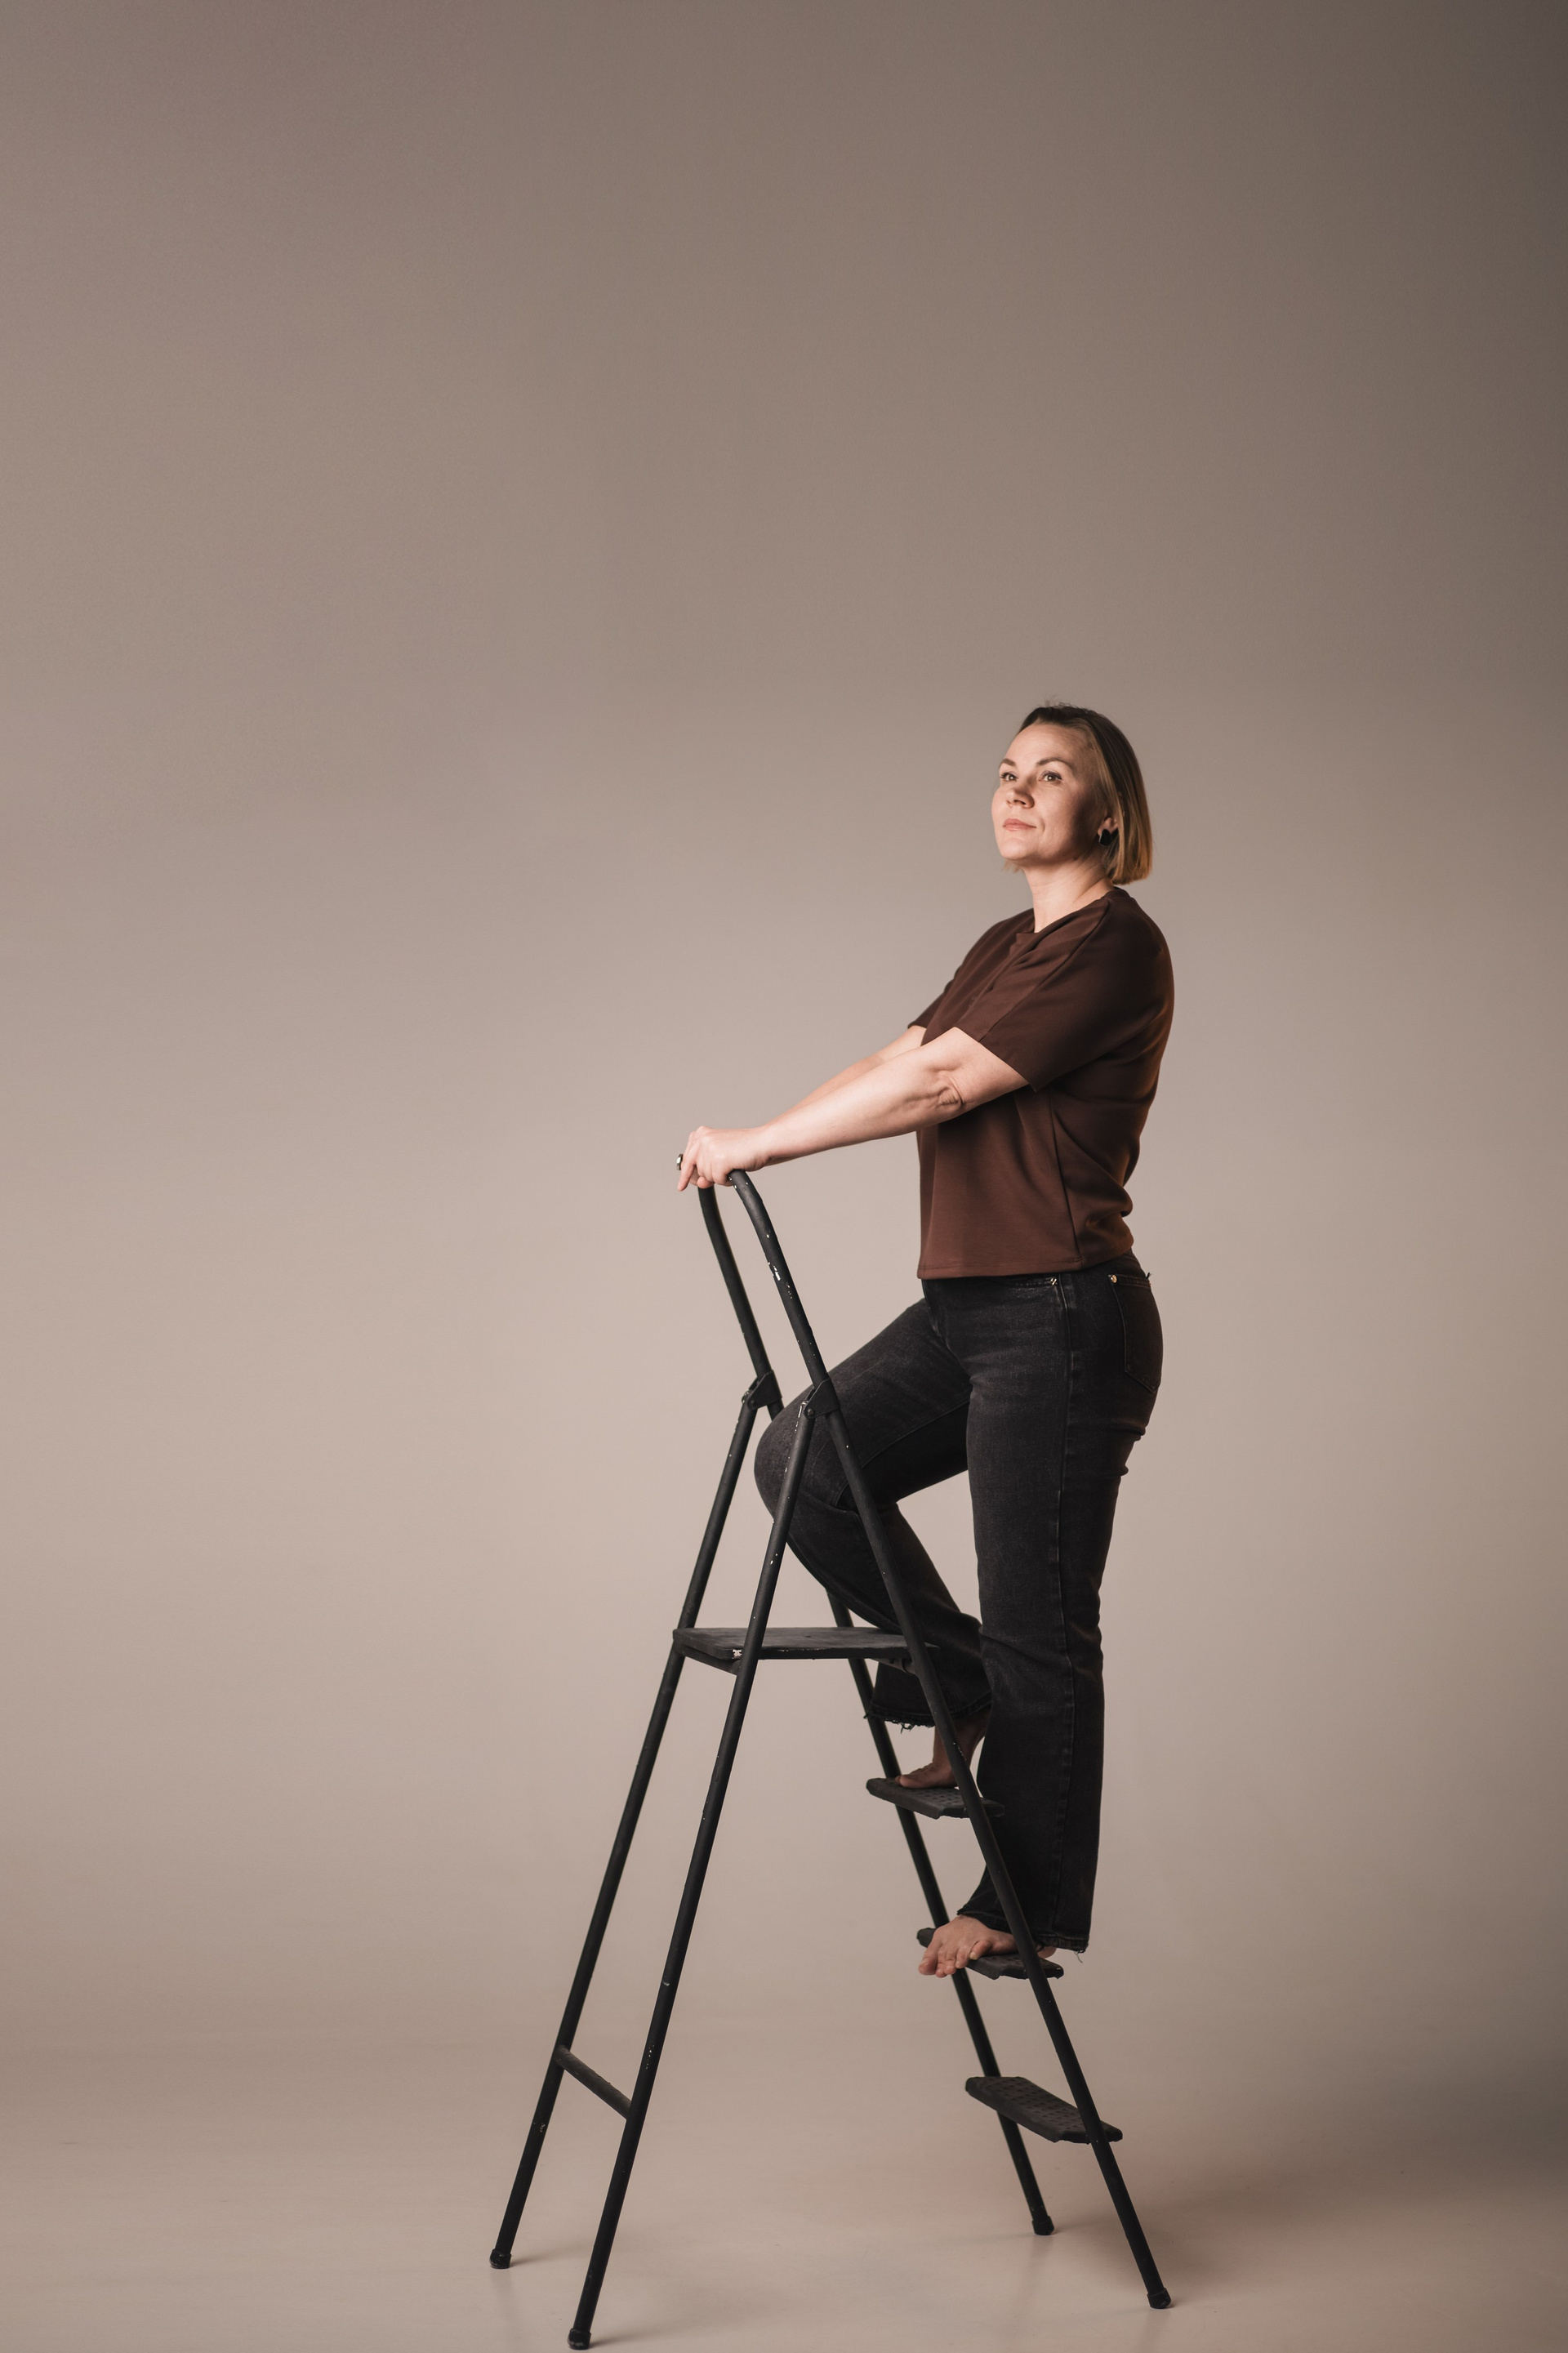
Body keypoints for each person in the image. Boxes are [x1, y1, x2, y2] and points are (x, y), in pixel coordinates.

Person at [675, 706, 1173, 1978]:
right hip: (966, 1312)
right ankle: (957, 1682)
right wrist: (752, 1135)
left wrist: (763, 1145)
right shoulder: (1006, 944)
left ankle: (1021, 1903)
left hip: (1064, 1317)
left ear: (1105, 813)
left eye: (1050, 775)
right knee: (805, 1461)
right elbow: (897, 1055)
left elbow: (945, 1085)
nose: (1019, 789)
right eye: (1007, 772)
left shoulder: (1116, 947)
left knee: (1040, 1624)